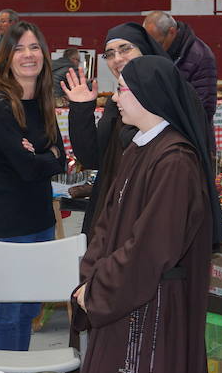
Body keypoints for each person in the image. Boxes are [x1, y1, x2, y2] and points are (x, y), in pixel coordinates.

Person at [71, 55, 222, 373]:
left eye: (122, 90)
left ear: (148, 95)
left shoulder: (174, 161)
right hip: (122, 289)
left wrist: (101, 288)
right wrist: (90, 277)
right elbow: (106, 222)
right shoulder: (140, 147)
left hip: (150, 302)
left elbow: (150, 246)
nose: (114, 98)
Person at [0, 20, 66, 351]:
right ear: (6, 58)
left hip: (41, 223)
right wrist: (46, 156)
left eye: (33, 47)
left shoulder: (42, 101)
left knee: (28, 311)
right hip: (8, 227)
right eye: (18, 49)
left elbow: (63, 162)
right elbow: (30, 169)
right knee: (6, 314)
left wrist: (40, 156)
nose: (28, 55)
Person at [62, 22, 169, 237]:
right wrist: (81, 108)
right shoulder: (115, 103)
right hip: (110, 210)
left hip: (148, 213)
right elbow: (92, 157)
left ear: (145, 51)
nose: (117, 59)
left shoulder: (168, 98)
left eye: (125, 49)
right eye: (110, 54)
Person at [143, 11, 218, 118]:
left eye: (159, 44)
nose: (154, 49)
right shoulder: (154, 51)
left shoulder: (201, 56)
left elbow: (205, 107)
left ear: (172, 32)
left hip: (188, 129)